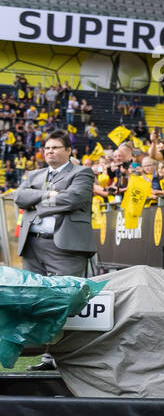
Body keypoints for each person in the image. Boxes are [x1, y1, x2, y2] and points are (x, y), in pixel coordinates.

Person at [14, 130, 96, 371]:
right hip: (33, 245)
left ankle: (67, 359)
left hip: (66, 247)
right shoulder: (34, 174)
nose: (49, 151)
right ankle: (46, 356)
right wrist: (48, 194)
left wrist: (36, 203)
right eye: (47, 147)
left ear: (69, 151)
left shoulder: (82, 173)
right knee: (36, 300)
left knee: (64, 300)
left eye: (55, 147)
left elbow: (73, 200)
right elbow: (19, 197)